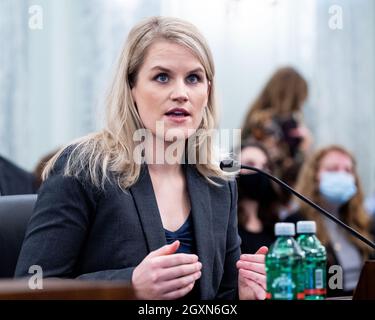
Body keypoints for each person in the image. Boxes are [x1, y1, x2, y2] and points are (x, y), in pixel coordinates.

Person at [15, 16, 267, 300]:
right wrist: (129, 286)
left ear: (207, 91)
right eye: (162, 77)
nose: (181, 94)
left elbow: (218, 296)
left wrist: (242, 295)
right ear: (131, 88)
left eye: (194, 78)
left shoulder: (218, 182)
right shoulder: (83, 168)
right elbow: (30, 289)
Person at [284, 145, 375, 296]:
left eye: (348, 170)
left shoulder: (364, 222)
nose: (341, 175)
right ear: (314, 176)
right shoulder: (296, 224)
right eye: (332, 169)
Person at [241, 67, 313, 214]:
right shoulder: (270, 125)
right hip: (269, 205)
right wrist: (302, 149)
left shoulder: (256, 118)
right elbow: (284, 171)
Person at [236, 141, 280, 254]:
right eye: (250, 164)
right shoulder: (225, 226)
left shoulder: (275, 224)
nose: (259, 170)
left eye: (265, 166)